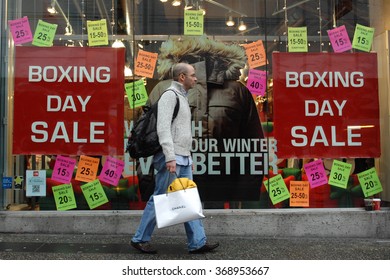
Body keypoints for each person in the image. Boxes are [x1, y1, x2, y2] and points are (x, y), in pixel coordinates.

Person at [131, 63, 219, 254]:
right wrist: (170, 157)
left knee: (189, 197)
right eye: (192, 75)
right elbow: (163, 129)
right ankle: (140, 238)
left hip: (183, 157)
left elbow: (180, 132)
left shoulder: (182, 97)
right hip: (170, 157)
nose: (195, 78)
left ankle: (197, 241)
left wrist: (188, 157)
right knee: (160, 196)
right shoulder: (170, 97)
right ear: (181, 77)